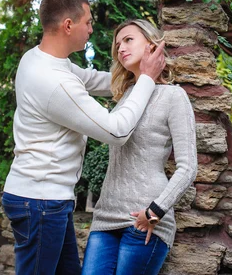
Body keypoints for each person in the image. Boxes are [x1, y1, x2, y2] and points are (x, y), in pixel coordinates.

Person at [2, 0, 166, 275]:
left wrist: (134, 74)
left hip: (46, 198)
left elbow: (89, 79)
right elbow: (116, 131)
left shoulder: (38, 58)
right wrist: (147, 81)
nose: (92, 28)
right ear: (68, 25)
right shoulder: (54, 82)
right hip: (40, 202)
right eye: (88, 22)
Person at [81, 19, 198, 275]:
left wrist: (155, 211)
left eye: (129, 39)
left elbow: (188, 167)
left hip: (144, 220)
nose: (121, 48)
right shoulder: (124, 98)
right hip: (105, 219)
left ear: (151, 45)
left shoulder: (173, 96)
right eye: (117, 44)